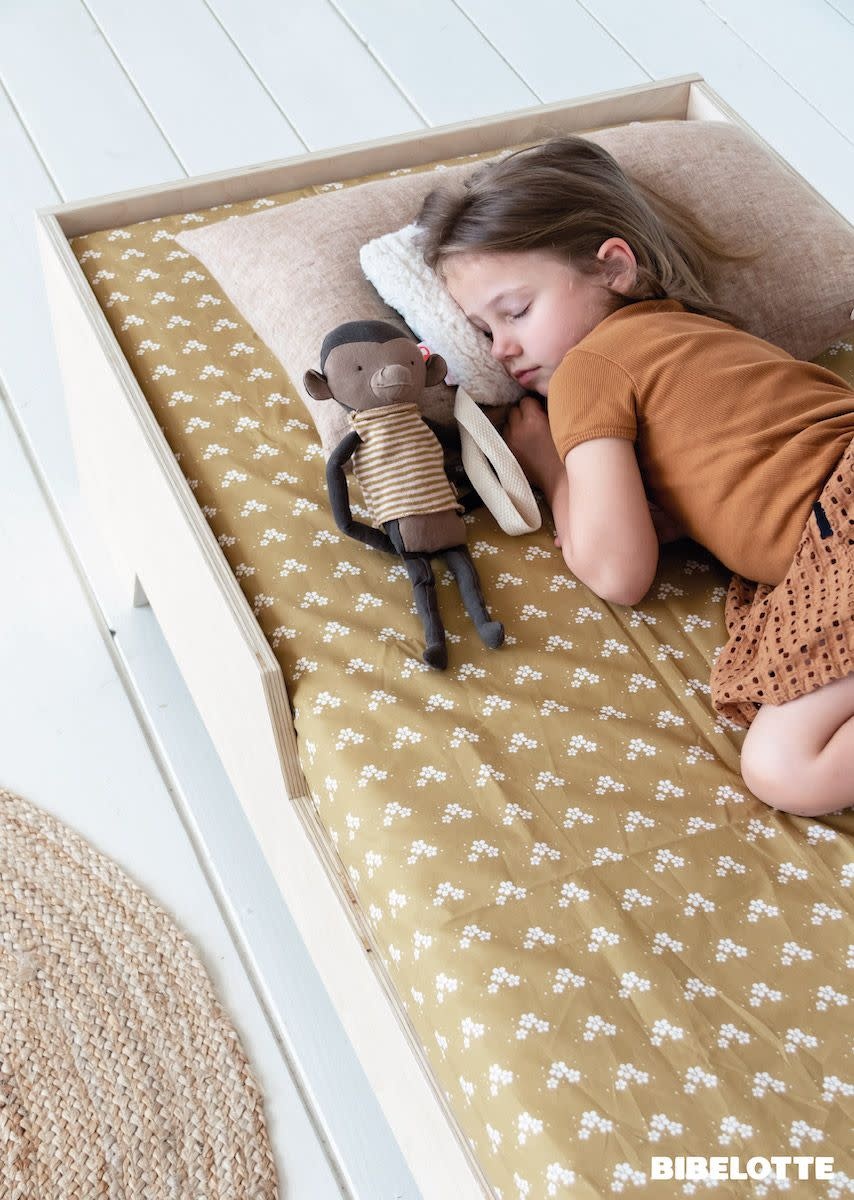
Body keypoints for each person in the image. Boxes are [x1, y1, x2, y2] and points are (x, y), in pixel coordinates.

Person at [416, 136, 854, 818]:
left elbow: (618, 570)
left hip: (839, 518)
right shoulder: (699, 338)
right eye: (482, 330)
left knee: (786, 768)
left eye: (516, 311)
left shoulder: (590, 368)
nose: (501, 349)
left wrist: (550, 467)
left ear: (613, 268)